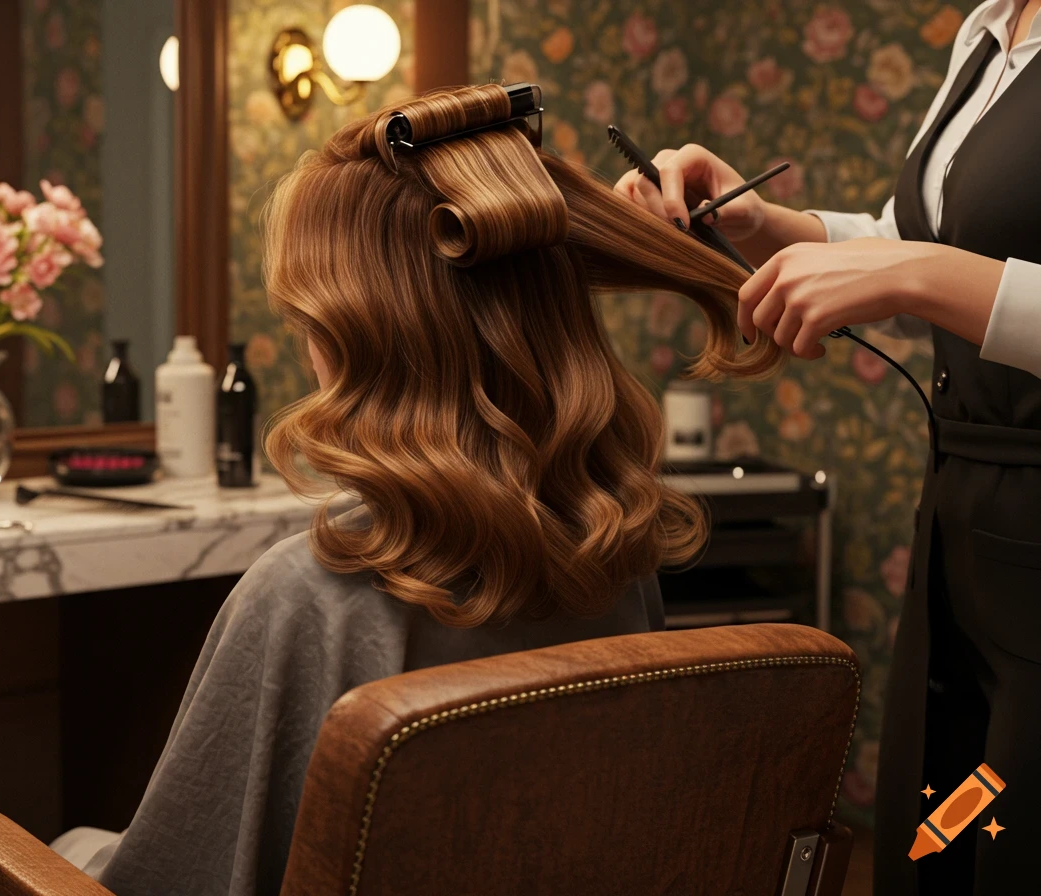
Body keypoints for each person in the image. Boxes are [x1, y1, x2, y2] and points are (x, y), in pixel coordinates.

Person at [55, 83, 782, 896]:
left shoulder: (305, 595)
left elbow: (167, 880)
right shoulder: (612, 548)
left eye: (307, 321)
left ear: (354, 336)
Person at [616, 2, 1041, 893]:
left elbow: (928, 267)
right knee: (942, 838)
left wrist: (924, 275)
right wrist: (764, 223)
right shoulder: (989, 30)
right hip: (964, 529)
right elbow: (910, 242)